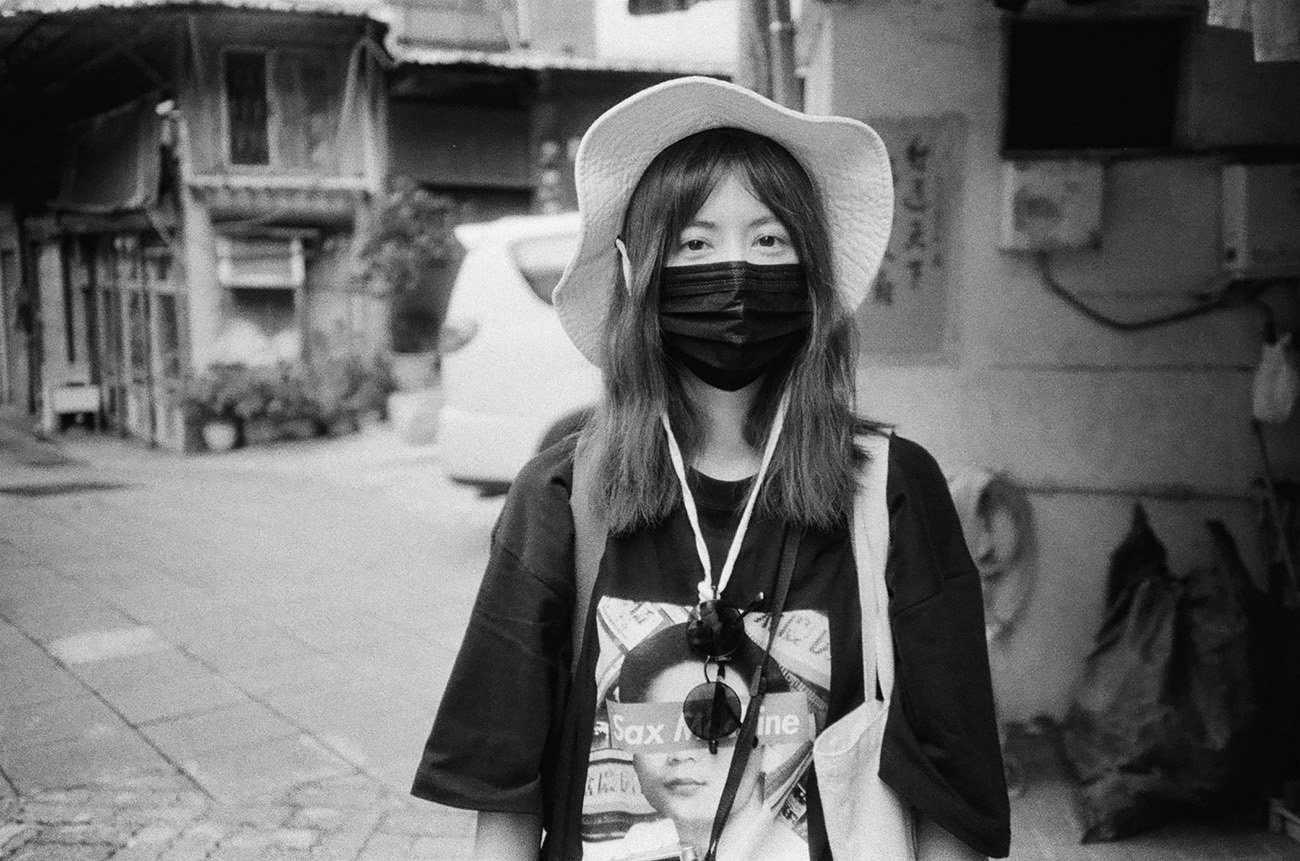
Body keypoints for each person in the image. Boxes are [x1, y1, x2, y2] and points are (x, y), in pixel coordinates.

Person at [412, 77, 1011, 861]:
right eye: (695, 244)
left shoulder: (893, 492)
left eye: (770, 241)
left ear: (812, 274)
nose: (735, 271)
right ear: (637, 272)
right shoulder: (562, 498)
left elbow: (950, 788)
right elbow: (504, 787)